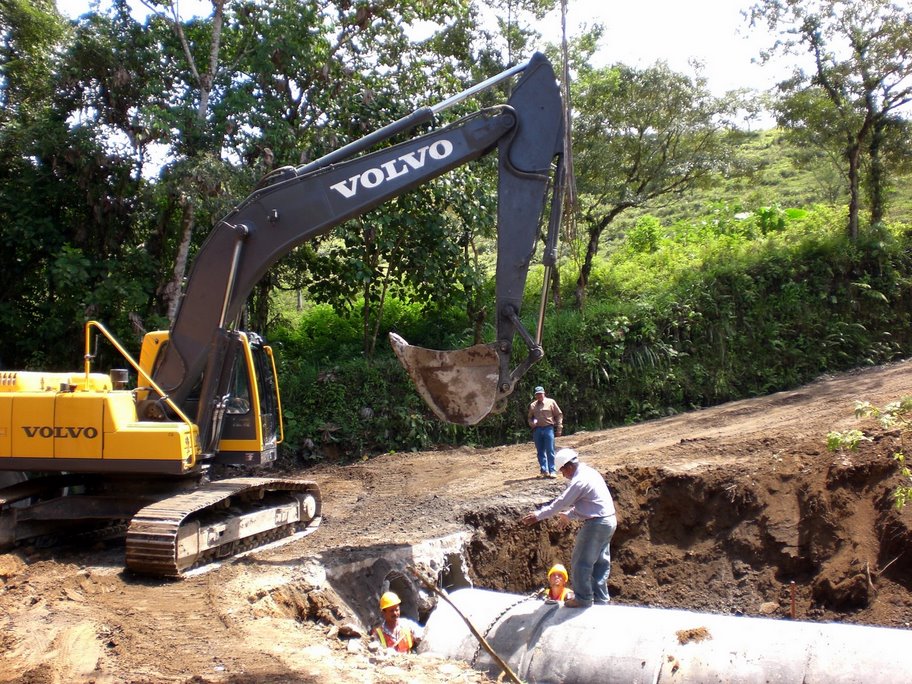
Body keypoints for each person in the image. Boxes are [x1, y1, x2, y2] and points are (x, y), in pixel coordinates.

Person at [520, 448, 616, 608]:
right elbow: (592, 503)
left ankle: (583, 598)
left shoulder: (580, 481)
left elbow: (561, 502)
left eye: (563, 471)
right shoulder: (590, 472)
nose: (563, 475)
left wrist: (538, 515)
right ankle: (601, 599)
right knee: (600, 562)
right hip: (608, 521)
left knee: (581, 561)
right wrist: (569, 515)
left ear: (569, 466)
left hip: (596, 524)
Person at [528, 386, 563, 478]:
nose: (539, 396)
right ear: (535, 395)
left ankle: (552, 471)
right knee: (540, 451)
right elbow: (530, 418)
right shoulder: (533, 405)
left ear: (544, 393)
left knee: (550, 450)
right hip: (537, 430)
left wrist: (559, 427)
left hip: (548, 428)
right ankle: (544, 470)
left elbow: (558, 414)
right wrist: (532, 423)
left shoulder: (551, 402)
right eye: (537, 394)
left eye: (540, 394)